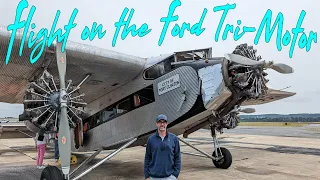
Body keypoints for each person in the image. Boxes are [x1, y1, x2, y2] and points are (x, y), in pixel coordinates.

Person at [144, 114, 181, 180]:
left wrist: (175, 174)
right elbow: (147, 158)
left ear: (166, 124)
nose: (162, 124)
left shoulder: (174, 138)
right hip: (153, 177)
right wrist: (147, 176)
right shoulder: (151, 139)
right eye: (160, 122)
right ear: (156, 124)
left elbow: (177, 157)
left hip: (170, 177)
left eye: (164, 122)